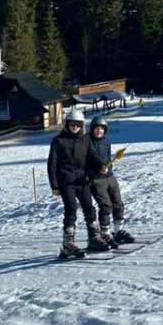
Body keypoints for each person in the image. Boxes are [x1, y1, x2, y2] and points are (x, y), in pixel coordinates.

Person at [47, 108, 110, 258]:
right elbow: (52, 164)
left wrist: (101, 164)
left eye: (78, 124)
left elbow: (92, 156)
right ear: (67, 124)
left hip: (82, 180)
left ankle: (93, 238)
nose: (75, 127)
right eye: (72, 124)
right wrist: (54, 185)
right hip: (66, 182)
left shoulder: (85, 139)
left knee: (89, 208)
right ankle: (68, 244)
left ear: (82, 125)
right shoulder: (58, 141)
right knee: (71, 210)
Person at [88, 116, 135, 246]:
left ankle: (118, 231)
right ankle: (105, 233)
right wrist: (99, 167)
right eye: (96, 128)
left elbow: (108, 157)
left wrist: (109, 166)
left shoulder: (107, 141)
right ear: (92, 129)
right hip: (96, 179)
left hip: (109, 176)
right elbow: (92, 157)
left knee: (118, 204)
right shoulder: (88, 142)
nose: (99, 131)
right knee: (106, 206)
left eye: (102, 128)